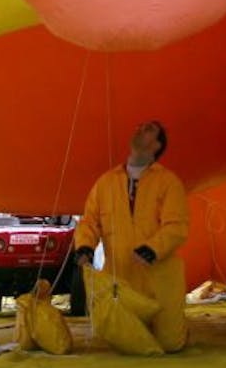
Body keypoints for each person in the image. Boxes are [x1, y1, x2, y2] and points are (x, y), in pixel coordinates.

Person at [73, 120, 189, 352]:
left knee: (170, 344)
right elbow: (89, 221)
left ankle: (180, 329)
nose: (139, 129)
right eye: (139, 126)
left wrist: (153, 248)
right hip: (120, 277)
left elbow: (177, 226)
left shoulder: (169, 183)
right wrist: (85, 245)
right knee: (122, 340)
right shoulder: (105, 183)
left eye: (149, 129)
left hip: (159, 279)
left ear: (156, 145)